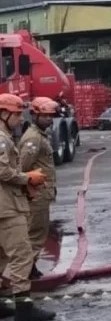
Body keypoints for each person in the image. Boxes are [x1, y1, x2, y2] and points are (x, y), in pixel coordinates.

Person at [0, 93, 53, 321]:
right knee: (22, 255)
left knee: (1, 255)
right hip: (8, 207)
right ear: (4, 114)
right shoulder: (2, 139)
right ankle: (24, 308)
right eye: (17, 113)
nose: (20, 118)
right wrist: (27, 179)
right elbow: (4, 172)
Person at [20, 97, 58, 281]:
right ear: (35, 115)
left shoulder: (40, 135)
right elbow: (23, 167)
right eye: (45, 116)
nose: (49, 119)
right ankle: (25, 272)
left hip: (42, 191)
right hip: (37, 194)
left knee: (37, 232)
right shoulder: (33, 139)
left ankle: (29, 268)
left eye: (51, 116)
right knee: (35, 233)